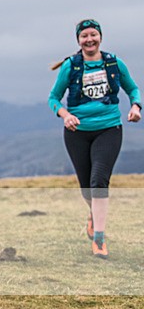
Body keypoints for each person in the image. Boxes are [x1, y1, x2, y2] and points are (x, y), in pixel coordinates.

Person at [48, 18, 141, 259]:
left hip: (109, 129)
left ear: (100, 37)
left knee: (99, 181)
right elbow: (54, 98)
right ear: (78, 40)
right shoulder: (71, 66)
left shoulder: (114, 63)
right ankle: (93, 214)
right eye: (84, 36)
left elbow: (132, 89)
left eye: (93, 35)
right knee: (87, 188)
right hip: (76, 133)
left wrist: (136, 106)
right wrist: (65, 114)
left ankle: (99, 239)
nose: (89, 40)